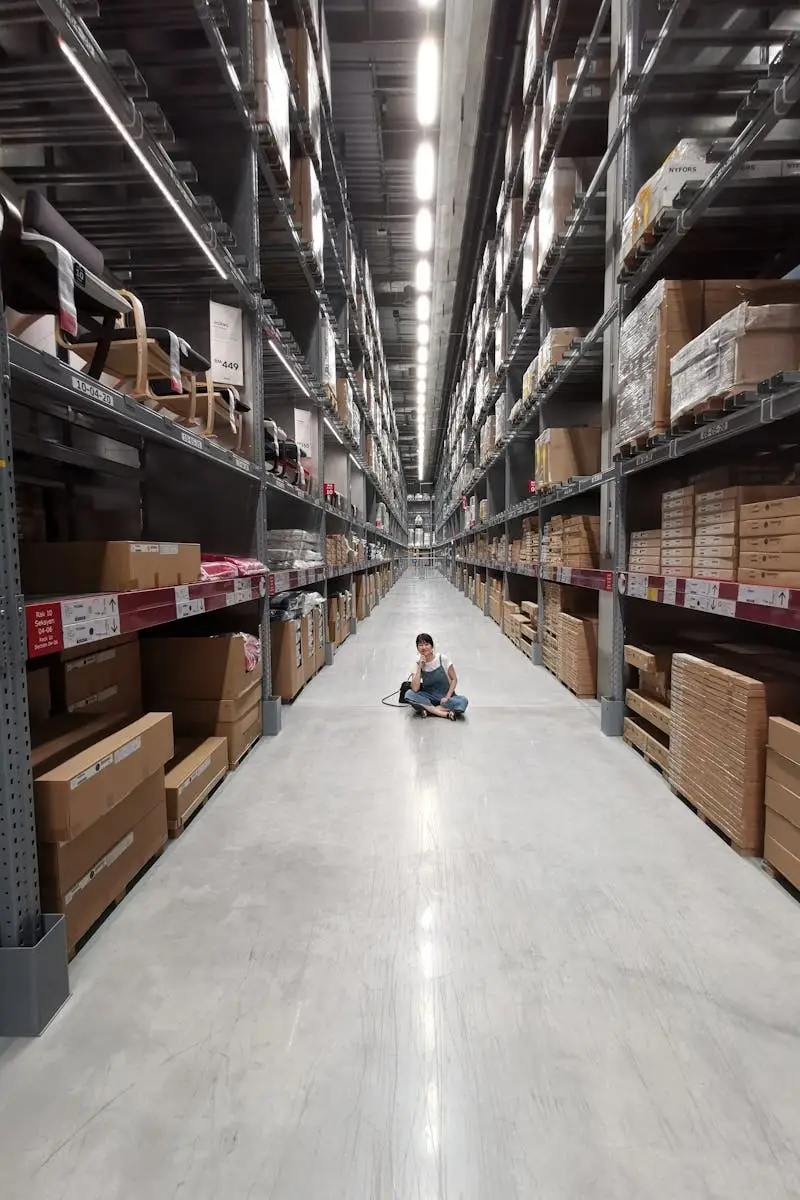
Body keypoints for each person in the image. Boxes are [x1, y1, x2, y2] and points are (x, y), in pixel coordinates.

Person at [406, 632, 469, 719]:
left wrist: (447, 697)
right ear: (417, 648)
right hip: (428, 697)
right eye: (420, 645)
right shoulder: (417, 664)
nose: (424, 647)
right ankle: (444, 713)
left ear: (432, 646)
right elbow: (415, 688)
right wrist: (420, 667)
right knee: (409, 694)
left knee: (463, 701)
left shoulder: (442, 659)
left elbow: (454, 679)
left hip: (445, 697)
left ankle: (429, 710)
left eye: (426, 644)